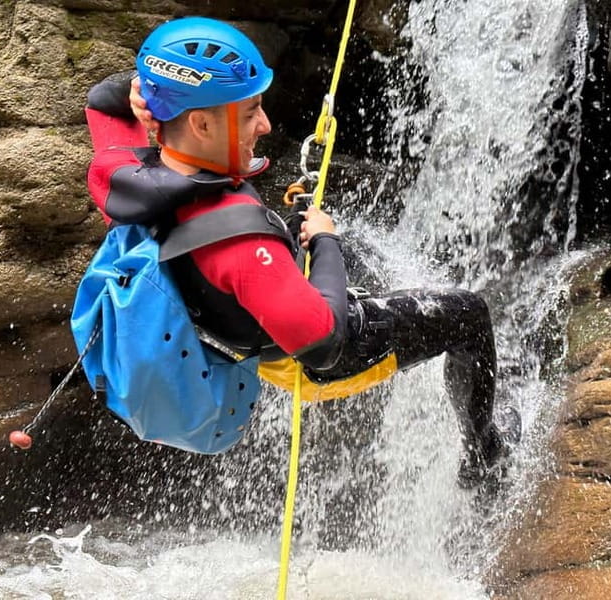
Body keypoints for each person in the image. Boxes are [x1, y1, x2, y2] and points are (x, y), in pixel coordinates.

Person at [85, 16, 509, 488]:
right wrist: (326, 241)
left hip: (235, 313)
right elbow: (324, 344)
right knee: (468, 314)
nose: (264, 125)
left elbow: (103, 100)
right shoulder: (241, 244)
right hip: (305, 358)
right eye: (250, 113)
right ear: (202, 123)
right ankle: (484, 456)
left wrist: (152, 90)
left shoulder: (121, 177)